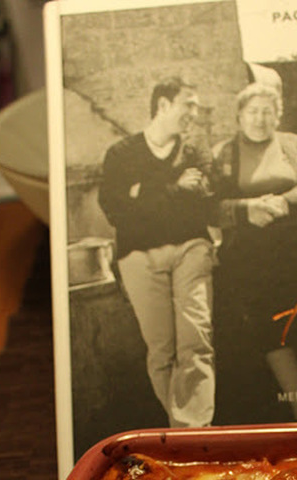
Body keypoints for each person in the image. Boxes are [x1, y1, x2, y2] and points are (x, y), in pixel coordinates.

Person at [213, 81, 297, 422]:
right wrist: (246, 209)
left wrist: (288, 201)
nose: (259, 119)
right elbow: (208, 207)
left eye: (267, 112)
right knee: (270, 328)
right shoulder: (223, 155)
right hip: (253, 258)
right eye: (252, 112)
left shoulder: (295, 145)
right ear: (239, 116)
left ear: (278, 115)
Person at [99, 77, 215, 428]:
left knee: (195, 339)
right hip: (139, 257)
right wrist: (174, 188)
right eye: (188, 105)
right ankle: (181, 430)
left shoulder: (194, 151)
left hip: (190, 250)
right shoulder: (121, 154)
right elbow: (116, 210)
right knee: (162, 349)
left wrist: (142, 195)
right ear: (163, 105)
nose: (194, 114)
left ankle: (196, 433)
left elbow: (207, 203)